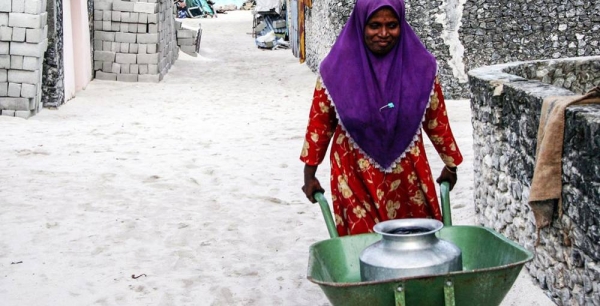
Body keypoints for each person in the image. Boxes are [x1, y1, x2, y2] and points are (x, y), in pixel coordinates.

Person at [300, 0, 463, 236]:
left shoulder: (423, 68)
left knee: (414, 246)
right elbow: (319, 126)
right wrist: (309, 175)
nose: (384, 34)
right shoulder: (335, 70)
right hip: (353, 174)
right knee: (364, 250)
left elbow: (437, 123)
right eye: (374, 25)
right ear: (360, 25)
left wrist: (451, 165)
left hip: (408, 176)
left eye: (392, 25)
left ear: (402, 24)